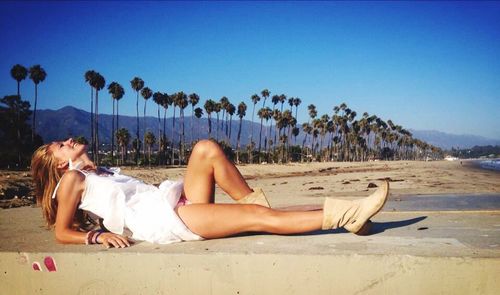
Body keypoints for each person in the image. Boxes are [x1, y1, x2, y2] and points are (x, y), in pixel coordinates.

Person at [31, 138, 389, 248]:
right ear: (61, 165)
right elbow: (63, 232)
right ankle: (349, 215)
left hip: (169, 200)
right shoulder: (72, 182)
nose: (70, 141)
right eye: (62, 145)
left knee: (205, 149)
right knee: (258, 219)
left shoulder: (98, 172)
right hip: (163, 220)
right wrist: (97, 235)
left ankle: (258, 213)